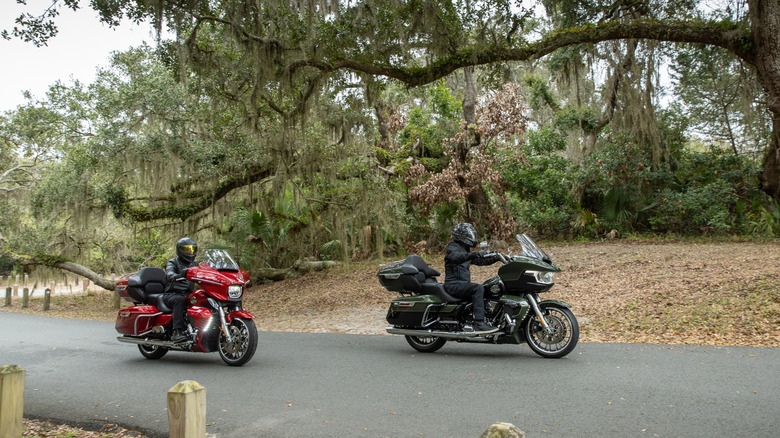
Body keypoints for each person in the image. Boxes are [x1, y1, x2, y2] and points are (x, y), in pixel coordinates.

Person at [444, 223, 501, 333]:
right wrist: (472, 255)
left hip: (462, 284)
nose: (471, 237)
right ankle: (479, 323)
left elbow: (479, 261)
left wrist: (497, 257)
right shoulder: (453, 247)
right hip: (453, 285)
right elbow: (456, 257)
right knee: (477, 288)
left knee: (490, 287)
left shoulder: (465, 249)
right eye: (468, 234)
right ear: (461, 235)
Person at [164, 237, 199, 343]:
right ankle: (177, 332)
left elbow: (204, 272)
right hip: (172, 294)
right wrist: (174, 276)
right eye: (187, 249)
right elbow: (169, 272)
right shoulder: (172, 262)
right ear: (180, 250)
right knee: (179, 300)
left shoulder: (195, 264)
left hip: (188, 294)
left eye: (192, 249)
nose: (190, 252)